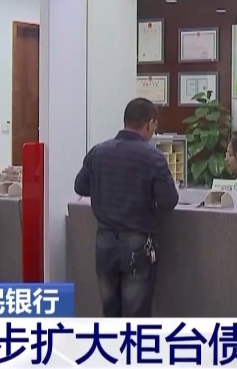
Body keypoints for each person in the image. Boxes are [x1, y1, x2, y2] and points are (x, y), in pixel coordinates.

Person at [74, 97, 180, 317]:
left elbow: (80, 187)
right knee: (136, 315)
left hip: (104, 243)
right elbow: (168, 201)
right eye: (154, 126)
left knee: (110, 312)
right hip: (137, 244)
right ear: (149, 124)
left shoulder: (98, 152)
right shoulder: (153, 157)